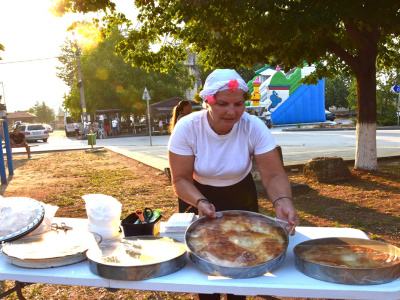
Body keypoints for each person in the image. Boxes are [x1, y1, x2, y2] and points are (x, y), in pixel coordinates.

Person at [168, 69, 299, 300]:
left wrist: (283, 200)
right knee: (205, 268)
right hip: (197, 194)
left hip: (240, 193)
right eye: (222, 104)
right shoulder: (187, 127)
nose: (232, 112)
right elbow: (180, 179)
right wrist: (200, 201)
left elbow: (274, 175)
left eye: (238, 104)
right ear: (207, 102)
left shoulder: (254, 126)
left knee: (244, 261)